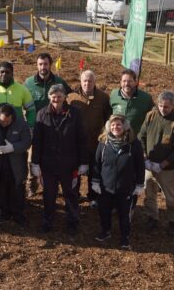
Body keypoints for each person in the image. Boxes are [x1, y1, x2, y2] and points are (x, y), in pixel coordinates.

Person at [31, 84, 89, 234]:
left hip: (69, 163)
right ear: (50, 97)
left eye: (59, 96)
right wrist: (35, 163)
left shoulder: (75, 113)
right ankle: (47, 221)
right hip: (48, 164)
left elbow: (82, 138)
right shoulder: (42, 114)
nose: (56, 99)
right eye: (53, 96)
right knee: (49, 195)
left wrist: (83, 162)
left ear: (64, 97)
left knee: (71, 194)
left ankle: (72, 222)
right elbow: (37, 141)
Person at [91, 114, 145, 250]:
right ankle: (105, 231)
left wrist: (139, 184)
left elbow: (140, 165)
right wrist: (95, 182)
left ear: (125, 126)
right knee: (104, 210)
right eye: (113, 125)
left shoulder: (134, 144)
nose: (116, 127)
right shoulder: (103, 143)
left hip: (125, 187)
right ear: (109, 127)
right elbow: (96, 163)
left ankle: (125, 237)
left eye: (119, 124)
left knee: (124, 214)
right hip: (105, 186)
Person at [139, 90, 174, 235]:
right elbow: (142, 135)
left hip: (167, 169)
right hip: (149, 164)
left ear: (173, 106)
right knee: (149, 193)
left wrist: (163, 164)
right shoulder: (151, 115)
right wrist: (144, 157)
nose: (162, 109)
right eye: (160, 105)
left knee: (170, 197)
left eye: (166, 107)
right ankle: (152, 217)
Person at [23, 53, 71, 197]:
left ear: (50, 65)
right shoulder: (29, 83)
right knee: (32, 158)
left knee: (55, 155)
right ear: (37, 65)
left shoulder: (59, 81)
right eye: (40, 64)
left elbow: (68, 99)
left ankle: (55, 184)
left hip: (56, 126)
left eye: (45, 64)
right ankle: (32, 185)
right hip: (36, 126)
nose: (43, 67)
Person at [0, 103, 32, 227]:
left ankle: (18, 214)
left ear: (12, 117)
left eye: (7, 121)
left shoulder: (21, 124)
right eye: (2, 121)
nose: (4, 124)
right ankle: (4, 213)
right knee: (1, 189)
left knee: (17, 190)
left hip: (16, 165)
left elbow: (26, 142)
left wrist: (13, 148)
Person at [67, 69, 111, 208]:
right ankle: (74, 195)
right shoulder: (71, 98)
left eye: (90, 81)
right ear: (80, 82)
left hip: (95, 142)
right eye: (85, 80)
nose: (87, 83)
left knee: (94, 170)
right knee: (75, 171)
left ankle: (93, 197)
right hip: (76, 144)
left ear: (95, 82)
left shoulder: (103, 98)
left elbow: (108, 119)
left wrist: (104, 136)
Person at [0, 61, 36, 128]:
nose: (4, 74)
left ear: (12, 74)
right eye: (2, 72)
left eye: (7, 72)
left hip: (16, 131)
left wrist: (29, 126)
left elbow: (31, 109)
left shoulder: (22, 90)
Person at [109, 68, 154, 135]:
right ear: (120, 83)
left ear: (136, 83)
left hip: (136, 139)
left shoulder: (146, 98)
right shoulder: (114, 95)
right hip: (117, 138)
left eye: (130, 81)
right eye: (124, 81)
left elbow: (152, 118)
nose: (127, 84)